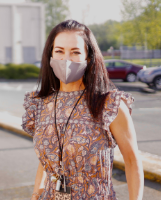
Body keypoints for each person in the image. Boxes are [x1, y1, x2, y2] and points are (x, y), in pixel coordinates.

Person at [22, 20, 144, 200]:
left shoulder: (109, 104)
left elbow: (132, 162)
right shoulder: (40, 104)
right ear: (50, 55)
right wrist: (36, 192)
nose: (66, 59)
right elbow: (50, 157)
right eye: (59, 51)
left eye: (75, 52)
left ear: (89, 57)